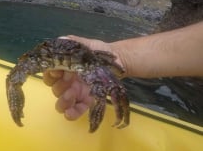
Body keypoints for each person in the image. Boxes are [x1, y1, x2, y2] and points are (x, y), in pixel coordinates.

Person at [43, 21, 203, 121]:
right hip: (94, 65)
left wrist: (118, 57)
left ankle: (121, 116)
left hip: (96, 65)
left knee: (115, 89)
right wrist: (120, 56)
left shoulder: (98, 60)